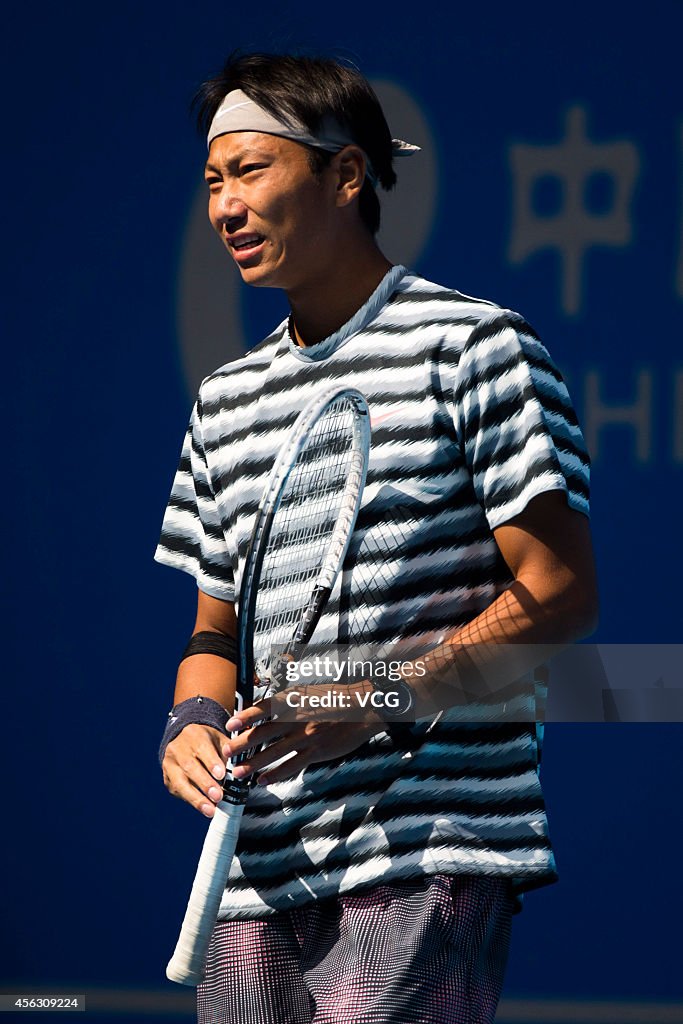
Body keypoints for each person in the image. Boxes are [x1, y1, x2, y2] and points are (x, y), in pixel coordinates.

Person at [156, 51, 598, 1024]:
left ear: (345, 175)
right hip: (259, 861)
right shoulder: (224, 401)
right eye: (213, 181)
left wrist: (375, 698)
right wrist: (190, 721)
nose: (225, 205)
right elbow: (211, 635)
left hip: (425, 850)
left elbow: (559, 594)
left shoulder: (476, 346)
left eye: (252, 170)